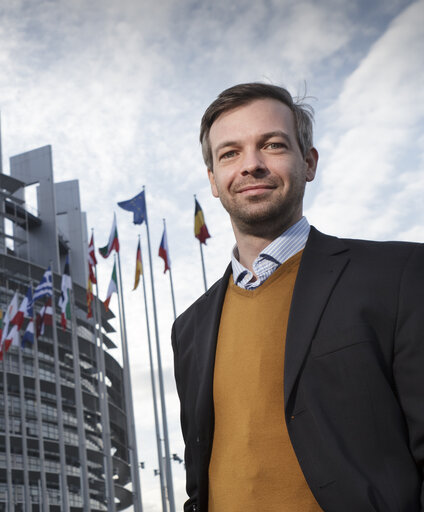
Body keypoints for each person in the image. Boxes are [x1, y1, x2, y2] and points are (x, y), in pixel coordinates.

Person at [171, 82, 424, 512]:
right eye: (229, 153)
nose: (250, 165)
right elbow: (201, 482)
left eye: (271, 145)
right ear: (214, 181)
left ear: (308, 162)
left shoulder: (398, 276)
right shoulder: (189, 329)